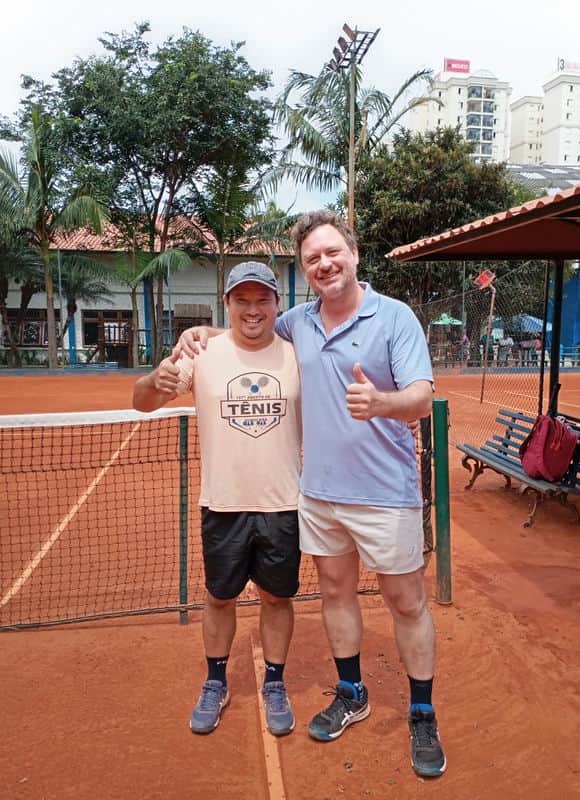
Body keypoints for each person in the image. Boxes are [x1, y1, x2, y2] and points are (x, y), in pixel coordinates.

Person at [176, 211, 446, 778]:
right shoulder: (297, 321)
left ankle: (422, 711)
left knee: (406, 602)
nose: (324, 264)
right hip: (320, 495)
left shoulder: (394, 317)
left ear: (354, 253)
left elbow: (422, 397)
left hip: (386, 493)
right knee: (337, 596)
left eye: (332, 252)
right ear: (304, 270)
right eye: (312, 259)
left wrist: (383, 403)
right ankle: (352, 692)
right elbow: (248, 326)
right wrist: (198, 333)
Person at [133, 262, 302, 738]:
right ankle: (215, 682)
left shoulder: (297, 356)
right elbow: (141, 401)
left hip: (283, 504)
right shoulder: (201, 353)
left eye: (262, 299)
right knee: (219, 597)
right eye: (241, 300)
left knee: (277, 597)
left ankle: (275, 682)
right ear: (226, 304)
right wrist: (156, 379)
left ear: (276, 304)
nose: (253, 310)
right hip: (223, 504)